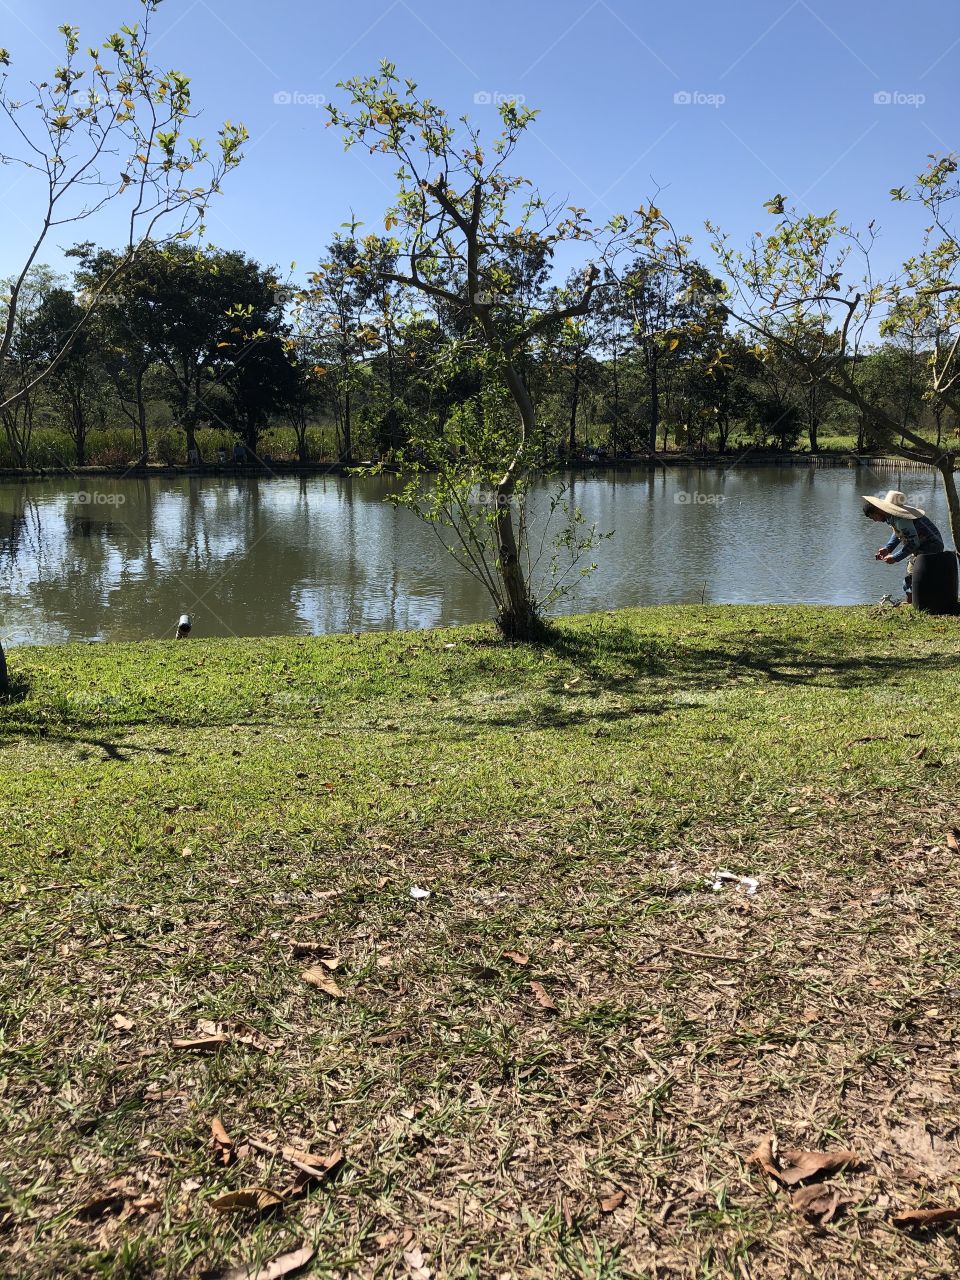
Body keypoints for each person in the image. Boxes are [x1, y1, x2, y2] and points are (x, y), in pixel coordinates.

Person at [862, 488, 944, 604]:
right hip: (927, 546)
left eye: (873, 517)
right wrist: (888, 548)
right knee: (913, 574)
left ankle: (911, 604)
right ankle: (915, 602)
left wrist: (895, 557)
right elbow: (899, 533)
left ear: (878, 511)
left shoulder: (900, 519)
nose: (875, 520)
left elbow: (913, 543)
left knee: (911, 577)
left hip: (929, 547)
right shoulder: (893, 518)